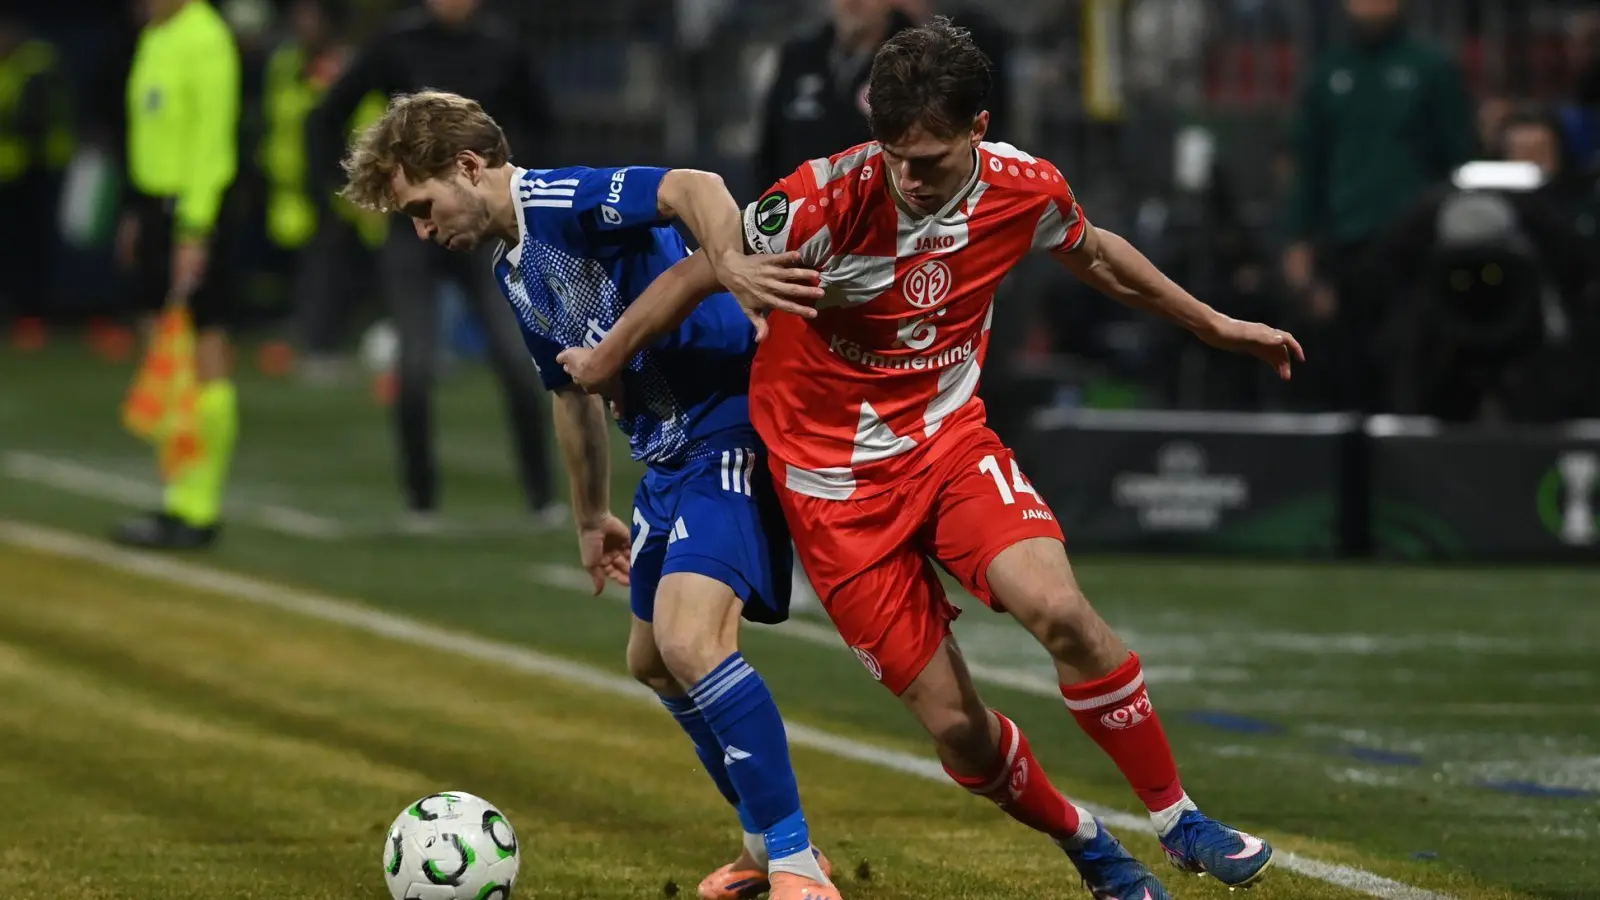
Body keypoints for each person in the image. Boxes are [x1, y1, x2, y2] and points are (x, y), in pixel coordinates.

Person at [561, 20, 1301, 899]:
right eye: (895, 154)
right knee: (960, 730)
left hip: (947, 444)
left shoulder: (1023, 189)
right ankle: (1090, 843)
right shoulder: (821, 198)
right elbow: (694, 273)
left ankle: (1180, 821)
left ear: (979, 132)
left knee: (1060, 609)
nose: (909, 177)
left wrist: (1215, 324)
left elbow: (1097, 254)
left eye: (932, 159)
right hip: (834, 492)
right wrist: (628, 343)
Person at [337, 90, 841, 900]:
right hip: (667, 458)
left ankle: (794, 865)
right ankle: (765, 845)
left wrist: (735, 264)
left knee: (690, 642)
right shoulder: (511, 264)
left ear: (469, 168)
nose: (424, 232)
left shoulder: (557, 200)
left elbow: (695, 186)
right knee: (651, 660)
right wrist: (588, 516)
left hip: (729, 426)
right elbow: (570, 394)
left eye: (423, 208)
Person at [309, 0, 560, 530]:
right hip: (415, 232)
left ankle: (544, 497)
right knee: (415, 366)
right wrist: (351, 191)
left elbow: (543, 121)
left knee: (519, 359)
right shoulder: (398, 44)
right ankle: (421, 500)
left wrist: (518, 191)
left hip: (485, 230)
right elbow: (330, 112)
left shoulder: (502, 45)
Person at [1281, 0, 1474, 414]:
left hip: (1417, 250)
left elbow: (1458, 158)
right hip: (1346, 243)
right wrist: (1298, 239)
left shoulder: (1432, 68)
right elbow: (1310, 165)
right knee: (1342, 368)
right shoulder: (1329, 71)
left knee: (1412, 365)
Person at [112, 0, 243, 550]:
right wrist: (136, 212)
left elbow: (211, 144)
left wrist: (195, 229)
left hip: (195, 212)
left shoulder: (205, 39)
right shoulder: (154, 35)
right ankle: (175, 498)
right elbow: (154, 135)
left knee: (202, 351)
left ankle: (198, 507)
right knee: (164, 355)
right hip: (154, 207)